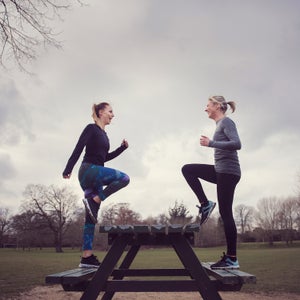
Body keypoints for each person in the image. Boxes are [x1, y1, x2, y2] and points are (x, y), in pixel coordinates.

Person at [62, 102, 130, 268]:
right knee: (124, 178)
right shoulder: (91, 129)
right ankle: (98, 198)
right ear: (100, 112)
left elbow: (104, 158)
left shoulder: (104, 135)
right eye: (110, 111)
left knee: (90, 220)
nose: (113, 115)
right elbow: (78, 148)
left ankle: (86, 258)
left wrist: (121, 149)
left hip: (96, 176)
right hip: (88, 172)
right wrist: (68, 168)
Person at [182, 95, 241, 269]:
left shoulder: (227, 122)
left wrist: (211, 143)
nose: (205, 108)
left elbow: (237, 143)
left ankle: (232, 258)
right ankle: (205, 203)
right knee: (188, 169)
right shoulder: (219, 125)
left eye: (208, 105)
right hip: (221, 171)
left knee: (226, 213)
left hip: (228, 172)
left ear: (217, 106)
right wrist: (213, 143)